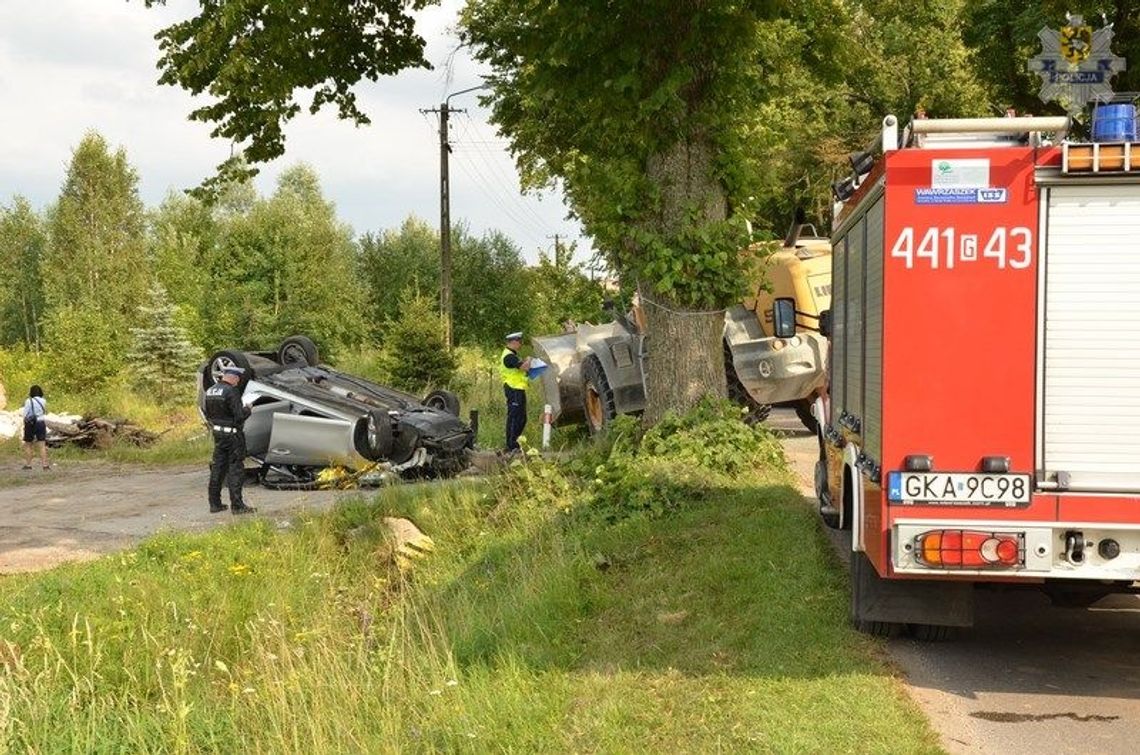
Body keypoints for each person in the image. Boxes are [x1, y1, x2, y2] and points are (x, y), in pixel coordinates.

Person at [204, 366, 255, 514]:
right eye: (238, 379)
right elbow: (239, 417)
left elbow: (208, 414)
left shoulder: (211, 391)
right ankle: (237, 506)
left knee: (218, 469)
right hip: (233, 436)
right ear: (233, 377)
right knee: (235, 469)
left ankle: (215, 504)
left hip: (218, 435)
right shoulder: (231, 392)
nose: (238, 382)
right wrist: (248, 409)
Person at [500, 331, 531, 453]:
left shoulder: (513, 355)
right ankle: (511, 445)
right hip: (513, 389)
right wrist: (528, 360)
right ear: (513, 342)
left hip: (518, 389)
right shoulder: (509, 356)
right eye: (519, 341)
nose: (521, 344)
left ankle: (515, 443)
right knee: (514, 417)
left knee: (522, 418)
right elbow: (524, 367)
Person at [21, 385, 49, 470]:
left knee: (28, 444)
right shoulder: (43, 401)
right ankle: (45, 465)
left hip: (31, 423)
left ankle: (28, 464)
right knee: (42, 445)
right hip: (41, 422)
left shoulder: (28, 401)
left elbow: (25, 414)